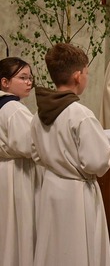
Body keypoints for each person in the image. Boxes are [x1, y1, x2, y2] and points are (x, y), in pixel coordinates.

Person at [31, 43, 110, 266]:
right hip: (77, 193)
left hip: (51, 187)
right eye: (87, 72)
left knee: (54, 249)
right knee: (77, 251)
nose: (86, 77)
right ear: (77, 76)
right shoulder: (80, 115)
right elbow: (98, 162)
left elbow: (36, 154)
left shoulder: (38, 114)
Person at [0, 57, 41, 266]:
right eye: (23, 78)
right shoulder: (13, 109)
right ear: (5, 82)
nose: (29, 82)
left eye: (30, 78)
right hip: (17, 173)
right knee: (18, 228)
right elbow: (29, 145)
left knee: (6, 228)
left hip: (5, 171)